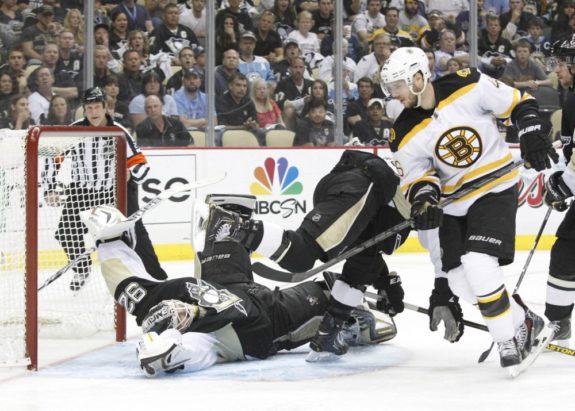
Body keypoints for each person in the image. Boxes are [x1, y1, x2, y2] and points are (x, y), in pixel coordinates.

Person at [380, 47, 554, 369]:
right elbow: (420, 177)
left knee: (478, 261)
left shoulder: (468, 84)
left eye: (398, 86)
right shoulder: (402, 132)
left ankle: (507, 340)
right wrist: (424, 199)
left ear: (418, 77)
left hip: (494, 187)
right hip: (455, 203)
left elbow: (519, 103)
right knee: (459, 278)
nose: (395, 94)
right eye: (391, 89)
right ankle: (523, 322)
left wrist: (529, 130)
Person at [79, 200, 396, 376]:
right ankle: (355, 323)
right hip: (264, 321)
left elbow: (124, 280)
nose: (176, 312)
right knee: (326, 299)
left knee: (223, 222)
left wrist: (109, 239)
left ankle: (352, 318)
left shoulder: (153, 299)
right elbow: (193, 344)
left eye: (174, 313)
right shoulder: (205, 333)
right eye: (177, 317)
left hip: (231, 288)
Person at [201, 149, 410, 360]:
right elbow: (368, 259)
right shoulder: (416, 201)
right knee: (300, 257)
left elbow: (365, 253)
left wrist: (384, 283)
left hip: (343, 181)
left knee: (307, 254)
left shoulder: (403, 193)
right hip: (362, 186)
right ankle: (234, 224)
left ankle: (329, 334)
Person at [43, 87, 168, 291]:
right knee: (65, 232)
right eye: (89, 107)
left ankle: (157, 277)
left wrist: (130, 173)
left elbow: (140, 163)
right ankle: (82, 268)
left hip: (115, 191)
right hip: (83, 191)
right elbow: (53, 158)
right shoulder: (74, 130)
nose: (93, 112)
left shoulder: (119, 131)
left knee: (135, 233)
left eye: (97, 107)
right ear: (84, 109)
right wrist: (49, 188)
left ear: (105, 107)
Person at [541, 34, 575, 345]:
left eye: (562, 63)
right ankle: (558, 321)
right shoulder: (570, 99)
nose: (557, 70)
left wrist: (562, 185)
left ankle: (558, 321)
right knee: (566, 250)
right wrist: (559, 177)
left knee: (566, 250)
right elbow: (569, 150)